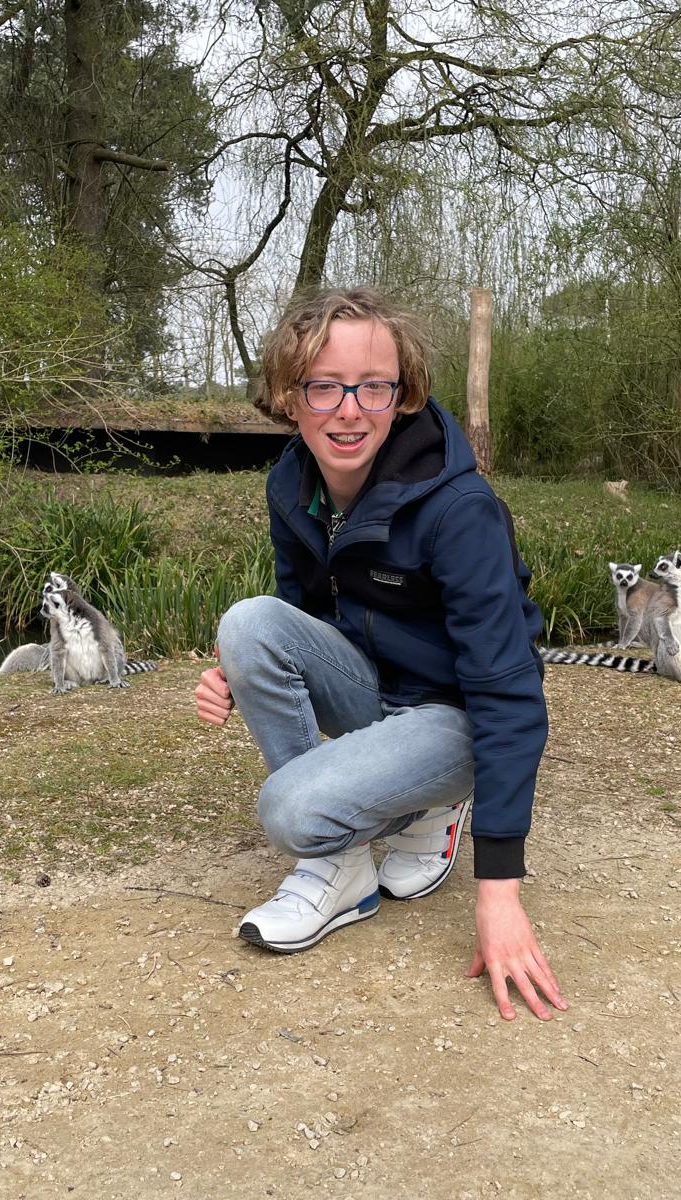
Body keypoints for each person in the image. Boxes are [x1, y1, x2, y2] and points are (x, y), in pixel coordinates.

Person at [194, 286, 567, 1021]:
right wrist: (240, 671)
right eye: (324, 386)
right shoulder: (290, 484)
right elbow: (297, 617)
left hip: (452, 716)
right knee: (246, 625)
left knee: (290, 808)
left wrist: (499, 893)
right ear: (287, 396)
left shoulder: (461, 511)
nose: (350, 409)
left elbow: (511, 695)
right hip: (377, 692)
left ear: (403, 395)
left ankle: (432, 802)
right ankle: (338, 869)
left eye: (374, 386)